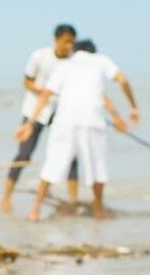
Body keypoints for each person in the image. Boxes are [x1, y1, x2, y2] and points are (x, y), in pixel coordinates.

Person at [18, 39, 140, 221]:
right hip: (92, 119)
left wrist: (29, 123)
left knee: (52, 164)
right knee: (97, 167)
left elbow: (46, 94)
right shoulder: (102, 61)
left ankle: (35, 211)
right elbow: (122, 80)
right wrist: (132, 108)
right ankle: (99, 211)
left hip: (64, 120)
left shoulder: (65, 65)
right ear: (93, 51)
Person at [0, 24, 81, 213]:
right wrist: (43, 91)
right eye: (65, 41)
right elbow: (26, 81)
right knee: (24, 154)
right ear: (56, 40)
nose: (69, 45)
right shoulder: (40, 56)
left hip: (61, 112)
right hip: (34, 111)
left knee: (70, 156)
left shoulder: (74, 61)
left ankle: (73, 201)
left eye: (72, 42)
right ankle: (5, 198)